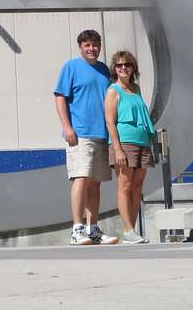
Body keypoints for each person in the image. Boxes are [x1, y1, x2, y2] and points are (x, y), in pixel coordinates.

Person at [54, 30, 118, 245]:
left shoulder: (104, 70)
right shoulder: (70, 67)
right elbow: (60, 97)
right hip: (80, 134)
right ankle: (76, 229)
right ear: (80, 47)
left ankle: (93, 229)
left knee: (95, 183)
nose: (92, 48)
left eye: (95, 45)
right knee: (80, 178)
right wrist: (67, 127)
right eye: (87, 45)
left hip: (102, 134)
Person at [105, 50, 156, 244]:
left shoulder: (136, 89)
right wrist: (117, 149)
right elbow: (110, 122)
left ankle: (131, 231)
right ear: (114, 69)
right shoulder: (113, 91)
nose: (123, 68)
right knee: (125, 186)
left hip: (142, 142)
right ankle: (128, 229)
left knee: (137, 187)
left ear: (132, 67)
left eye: (126, 64)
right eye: (119, 65)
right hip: (124, 143)